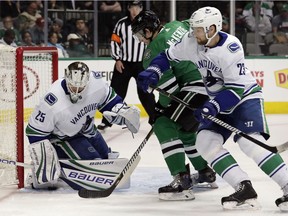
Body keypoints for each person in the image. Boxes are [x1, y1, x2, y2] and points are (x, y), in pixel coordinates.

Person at [136, 6, 288, 211]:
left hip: (244, 98)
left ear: (212, 29)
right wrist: (154, 69)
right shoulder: (192, 41)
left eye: (198, 29)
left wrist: (212, 106)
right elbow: (167, 56)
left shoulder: (231, 48)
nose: (193, 32)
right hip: (217, 100)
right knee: (205, 142)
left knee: (250, 143)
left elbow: (234, 90)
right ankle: (243, 187)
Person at [131, 10, 217, 201]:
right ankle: (204, 172)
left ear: (147, 30)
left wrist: (159, 111)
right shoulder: (177, 25)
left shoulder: (152, 51)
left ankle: (181, 181)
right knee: (185, 132)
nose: (140, 39)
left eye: (139, 34)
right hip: (212, 82)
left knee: (163, 124)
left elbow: (170, 90)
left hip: (195, 88)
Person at [25, 61, 140, 189]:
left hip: (87, 130)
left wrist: (123, 112)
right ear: (67, 78)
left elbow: (109, 101)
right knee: (94, 164)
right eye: (73, 87)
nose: (77, 91)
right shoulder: (52, 101)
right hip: (62, 138)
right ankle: (52, 166)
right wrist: (44, 161)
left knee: (106, 159)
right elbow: (34, 131)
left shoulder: (96, 83)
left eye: (81, 87)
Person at [97, 0, 156, 130]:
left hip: (142, 64)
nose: (135, 10)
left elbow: (153, 41)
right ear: (128, 8)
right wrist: (117, 59)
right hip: (123, 64)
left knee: (145, 93)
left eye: (138, 7)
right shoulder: (121, 24)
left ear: (141, 8)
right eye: (132, 7)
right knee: (115, 92)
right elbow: (114, 42)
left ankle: (155, 120)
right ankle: (106, 121)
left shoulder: (147, 23)